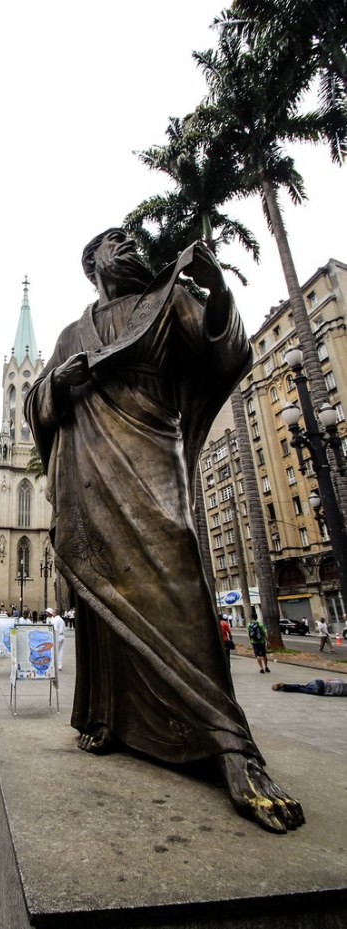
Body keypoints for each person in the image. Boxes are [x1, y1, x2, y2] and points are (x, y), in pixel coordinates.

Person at [25, 228, 303, 834]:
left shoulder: (170, 298)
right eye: (116, 242)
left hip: (153, 452)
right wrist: (59, 385)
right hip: (91, 471)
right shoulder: (74, 333)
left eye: (134, 241)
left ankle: (231, 745)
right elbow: (36, 401)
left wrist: (218, 287)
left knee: (180, 579)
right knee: (105, 596)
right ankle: (109, 717)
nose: (131, 247)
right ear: (91, 262)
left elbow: (224, 349)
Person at [46, 606, 66, 671]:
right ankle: (59, 665)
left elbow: (54, 629)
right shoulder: (61, 619)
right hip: (62, 636)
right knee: (60, 651)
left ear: (56, 613)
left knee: (55, 651)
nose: (53, 613)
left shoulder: (55, 619)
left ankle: (55, 664)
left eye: (53, 612)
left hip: (57, 636)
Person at [272, 679, 347, 696]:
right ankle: (284, 687)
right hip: (322, 690)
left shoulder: (340, 681)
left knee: (302, 686)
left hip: (319, 682)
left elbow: (328, 679)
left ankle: (284, 686)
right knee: (300, 689)